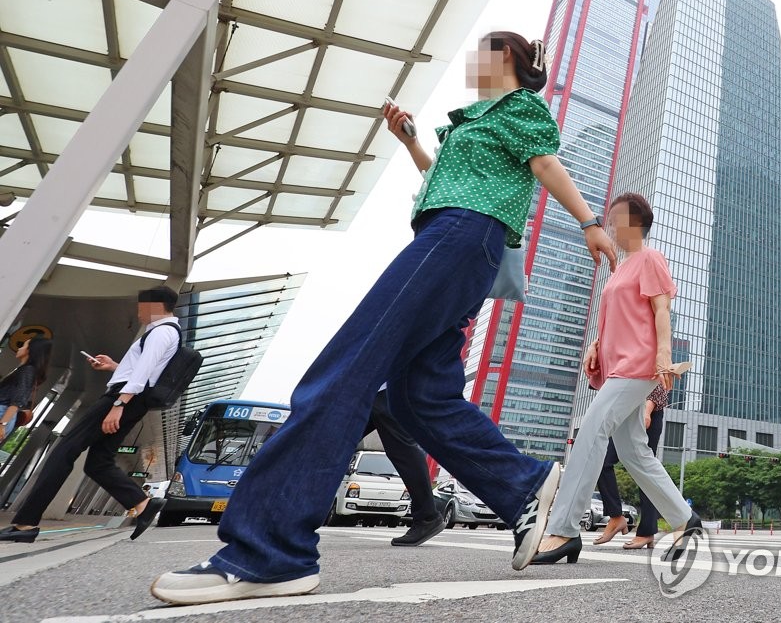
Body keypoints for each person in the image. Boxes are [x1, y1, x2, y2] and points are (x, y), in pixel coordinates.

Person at [150, 31, 617, 605]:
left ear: (510, 62)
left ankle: (269, 551)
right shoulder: (473, 121)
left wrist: (590, 222)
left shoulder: (520, 107)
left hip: (461, 236)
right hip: (455, 234)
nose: (473, 61)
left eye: (484, 52)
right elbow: (442, 176)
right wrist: (410, 142)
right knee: (420, 398)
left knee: (346, 369)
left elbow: (544, 164)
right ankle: (523, 485)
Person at [530, 193, 700, 566]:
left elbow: (661, 311)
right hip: (617, 364)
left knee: (591, 432)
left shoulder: (650, 258)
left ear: (636, 221)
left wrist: (663, 356)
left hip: (638, 365)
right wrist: (595, 344)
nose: (611, 226)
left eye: (617, 218)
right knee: (633, 451)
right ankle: (686, 520)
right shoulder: (620, 267)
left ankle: (563, 529)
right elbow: (619, 317)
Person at [0, 287, 180, 544]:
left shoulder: (162, 332)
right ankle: (142, 504)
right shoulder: (163, 332)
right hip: (130, 398)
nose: (138, 311)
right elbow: (143, 371)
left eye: (141, 306)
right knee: (99, 462)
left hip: (123, 398)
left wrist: (118, 404)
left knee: (64, 451)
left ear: (155, 306)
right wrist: (115, 367)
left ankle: (25, 524)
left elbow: (143, 375)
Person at [592, 383, 669, 549]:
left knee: (644, 471)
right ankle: (615, 517)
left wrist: (647, 411)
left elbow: (658, 382)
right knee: (602, 462)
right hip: (623, 413)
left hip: (647, 412)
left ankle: (647, 532)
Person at [368, 384, 444, 547]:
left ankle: (427, 516)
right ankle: (427, 516)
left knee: (402, 448)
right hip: (372, 389)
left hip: (384, 387)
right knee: (332, 442)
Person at [0, 337, 53, 442]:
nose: (19, 348)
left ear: (30, 350)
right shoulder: (26, 370)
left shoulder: (28, 371)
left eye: (23, 345)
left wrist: (3, 424)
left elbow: (18, 400)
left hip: (3, 413)